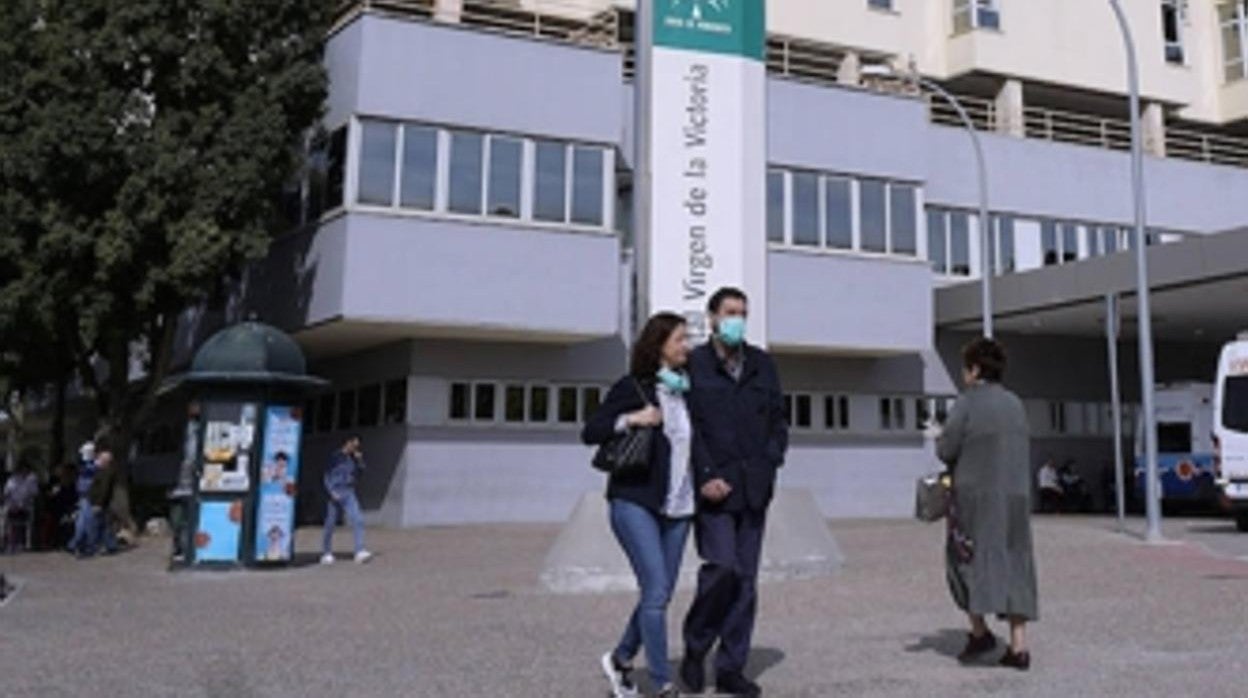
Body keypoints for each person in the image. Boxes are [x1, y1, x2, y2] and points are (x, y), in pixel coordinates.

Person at [680, 288, 788, 698]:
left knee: (745, 581)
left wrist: (771, 461)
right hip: (714, 490)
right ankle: (696, 648)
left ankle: (730, 668)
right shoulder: (695, 364)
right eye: (729, 312)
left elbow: (778, 421)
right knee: (721, 568)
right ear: (712, 318)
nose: (736, 320)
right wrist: (705, 473)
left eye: (742, 313)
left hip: (755, 487)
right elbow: (686, 427)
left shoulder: (762, 364)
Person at [584, 312, 697, 698]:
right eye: (680, 339)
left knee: (658, 592)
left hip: (679, 506)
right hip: (635, 500)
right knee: (657, 590)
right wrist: (633, 418)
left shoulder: (687, 392)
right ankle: (662, 682)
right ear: (659, 344)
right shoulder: (634, 387)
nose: (686, 346)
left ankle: (620, 659)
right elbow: (591, 431)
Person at [937, 338, 1038, 671]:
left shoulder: (967, 403)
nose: (963, 374)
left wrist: (938, 435)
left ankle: (979, 632)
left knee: (964, 559)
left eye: (965, 368)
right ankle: (1019, 645)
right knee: (1016, 562)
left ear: (975, 369)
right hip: (1015, 497)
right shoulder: (1015, 403)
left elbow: (947, 449)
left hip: (976, 498)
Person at [321, 434, 372, 565]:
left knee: (358, 518)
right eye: (354, 445)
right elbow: (326, 474)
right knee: (330, 522)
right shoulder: (335, 456)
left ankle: (359, 550)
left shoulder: (352, 459)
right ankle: (326, 552)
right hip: (335, 491)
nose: (355, 448)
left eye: (357, 446)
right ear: (347, 443)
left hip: (348, 491)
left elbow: (361, 472)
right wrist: (331, 491)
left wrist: (359, 460)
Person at [66, 443, 99, 556]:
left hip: (88, 495)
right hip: (84, 495)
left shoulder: (91, 466)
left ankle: (76, 544)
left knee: (83, 521)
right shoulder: (87, 465)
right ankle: (80, 544)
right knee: (84, 521)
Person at [85, 448, 119, 556]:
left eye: (100, 458)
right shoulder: (104, 471)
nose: (97, 460)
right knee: (104, 525)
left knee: (96, 525)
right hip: (100, 502)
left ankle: (94, 547)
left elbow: (104, 489)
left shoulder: (106, 472)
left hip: (99, 502)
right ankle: (110, 545)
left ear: (105, 461)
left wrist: (98, 503)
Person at [3, 460, 40, 553]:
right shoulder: (12, 480)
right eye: (22, 470)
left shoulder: (32, 479)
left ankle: (25, 543)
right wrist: (13, 503)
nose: (24, 472)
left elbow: (34, 494)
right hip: (12, 505)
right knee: (5, 514)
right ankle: (9, 542)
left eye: (26, 470)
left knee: (27, 514)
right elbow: (7, 493)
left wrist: (22, 503)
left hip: (26, 505)